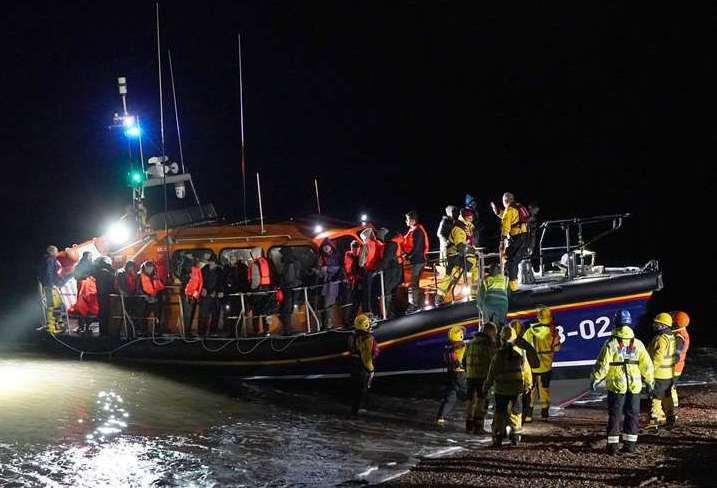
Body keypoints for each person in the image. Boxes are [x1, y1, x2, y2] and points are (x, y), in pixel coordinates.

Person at [590, 310, 654, 454]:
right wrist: (650, 381)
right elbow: (647, 364)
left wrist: (595, 379)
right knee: (633, 415)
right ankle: (630, 446)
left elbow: (602, 365)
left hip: (616, 386)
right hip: (635, 385)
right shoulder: (638, 344)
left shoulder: (611, 344)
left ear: (616, 323)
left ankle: (612, 447)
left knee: (615, 416)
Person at [483, 325, 533, 447]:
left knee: (499, 413)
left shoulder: (498, 354)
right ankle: (515, 437)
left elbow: (492, 372)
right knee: (516, 413)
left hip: (501, 389)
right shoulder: (521, 353)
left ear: (502, 339)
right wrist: (528, 384)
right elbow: (526, 370)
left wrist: (486, 386)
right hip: (517, 389)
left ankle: (498, 437)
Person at [521, 305, 561, 421]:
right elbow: (557, 348)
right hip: (546, 365)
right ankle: (544, 413)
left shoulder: (530, 331)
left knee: (531, 389)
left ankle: (529, 414)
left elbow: (523, 344)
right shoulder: (553, 332)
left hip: (532, 365)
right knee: (544, 389)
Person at [437, 207, 477, 304]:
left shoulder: (467, 226)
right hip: (455, 255)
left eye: (471, 217)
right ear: (464, 217)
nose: (470, 218)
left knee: (450, 273)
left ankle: (440, 295)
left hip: (456, 255)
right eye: (468, 217)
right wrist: (472, 250)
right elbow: (461, 246)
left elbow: (469, 241)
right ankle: (474, 293)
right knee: (474, 268)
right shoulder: (459, 228)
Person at [465, 322, 498, 434]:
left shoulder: (470, 343)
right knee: (482, 400)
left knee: (470, 400)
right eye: (494, 332)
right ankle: (478, 426)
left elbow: (464, 360)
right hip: (483, 376)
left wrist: (468, 371)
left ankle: (468, 424)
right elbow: (493, 361)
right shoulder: (488, 343)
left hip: (470, 376)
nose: (494, 334)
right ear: (489, 331)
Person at [491, 192, 529, 292]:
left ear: (505, 201)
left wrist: (502, 240)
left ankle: (512, 287)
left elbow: (506, 225)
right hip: (524, 237)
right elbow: (513, 219)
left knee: (510, 261)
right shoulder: (518, 207)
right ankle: (514, 284)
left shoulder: (509, 209)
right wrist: (498, 212)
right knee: (515, 261)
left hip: (516, 238)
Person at [647, 313, 677, 427]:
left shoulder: (660, 339)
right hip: (669, 374)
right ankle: (670, 417)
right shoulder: (671, 337)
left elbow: (657, 358)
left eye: (657, 323)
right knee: (667, 396)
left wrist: (649, 372)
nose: (654, 325)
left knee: (655, 398)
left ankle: (654, 421)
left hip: (659, 374)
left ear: (663, 325)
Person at [436, 326, 468, 426]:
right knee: (469, 394)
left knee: (451, 396)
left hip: (451, 374)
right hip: (460, 374)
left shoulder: (449, 348)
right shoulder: (462, 347)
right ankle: (473, 416)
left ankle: (441, 417)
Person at [347, 314, 379, 415]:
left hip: (354, 366)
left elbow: (352, 351)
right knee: (363, 389)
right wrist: (371, 370)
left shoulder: (352, 337)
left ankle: (355, 409)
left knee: (355, 389)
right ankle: (359, 410)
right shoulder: (368, 339)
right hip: (363, 367)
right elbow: (368, 356)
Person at [403, 210, 430, 313]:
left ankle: (415, 305)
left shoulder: (417, 231)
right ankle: (418, 304)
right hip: (418, 260)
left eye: (407, 219)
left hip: (418, 261)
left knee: (414, 283)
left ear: (413, 220)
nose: (406, 221)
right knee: (415, 283)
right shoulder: (416, 230)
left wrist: (407, 256)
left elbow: (417, 247)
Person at [376, 231, 403, 318]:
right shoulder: (394, 244)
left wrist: (378, 269)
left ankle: (387, 314)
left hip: (392, 272)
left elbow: (387, 259)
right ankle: (391, 313)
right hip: (395, 271)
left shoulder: (391, 245)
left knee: (386, 292)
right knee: (389, 292)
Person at [669, 311, 690, 423]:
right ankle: (674, 406)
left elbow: (676, 353)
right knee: (672, 387)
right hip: (678, 366)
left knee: (670, 387)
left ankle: (672, 409)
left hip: (674, 367)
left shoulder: (678, 337)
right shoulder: (683, 332)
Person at [39, 245, 64, 333]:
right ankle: (51, 326)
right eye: (56, 251)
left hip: (54, 285)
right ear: (51, 251)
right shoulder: (49, 259)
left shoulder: (52, 259)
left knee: (56, 304)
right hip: (51, 286)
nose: (57, 252)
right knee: (52, 305)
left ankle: (56, 324)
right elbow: (48, 272)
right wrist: (51, 284)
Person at [358, 227, 384, 314]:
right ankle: (378, 313)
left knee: (367, 294)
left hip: (368, 272)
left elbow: (361, 262)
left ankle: (368, 313)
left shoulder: (366, 245)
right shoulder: (379, 243)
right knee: (375, 294)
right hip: (378, 272)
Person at [319, 238, 342, 327]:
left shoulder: (336, 256)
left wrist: (327, 269)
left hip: (332, 285)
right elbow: (320, 273)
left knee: (328, 305)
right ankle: (323, 324)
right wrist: (317, 270)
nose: (326, 248)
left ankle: (329, 323)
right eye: (324, 247)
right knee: (323, 305)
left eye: (327, 246)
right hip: (323, 285)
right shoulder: (321, 257)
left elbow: (338, 268)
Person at [139, 260, 166, 335]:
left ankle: (157, 332)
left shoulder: (156, 276)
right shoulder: (139, 276)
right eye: (148, 268)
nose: (150, 269)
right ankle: (144, 332)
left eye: (151, 268)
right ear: (144, 268)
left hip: (156, 299)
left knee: (158, 316)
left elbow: (160, 287)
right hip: (145, 300)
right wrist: (146, 296)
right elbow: (139, 288)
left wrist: (160, 295)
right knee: (144, 316)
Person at [115, 260, 141, 337]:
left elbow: (136, 285)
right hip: (124, 297)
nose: (132, 269)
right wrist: (123, 292)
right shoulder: (121, 273)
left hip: (132, 296)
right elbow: (120, 285)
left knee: (132, 315)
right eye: (131, 267)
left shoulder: (134, 275)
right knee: (123, 315)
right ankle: (121, 332)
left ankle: (132, 332)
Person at [199, 256, 222, 337]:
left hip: (214, 295)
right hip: (205, 296)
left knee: (215, 314)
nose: (213, 264)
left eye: (214, 262)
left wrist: (218, 291)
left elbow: (220, 283)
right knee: (204, 315)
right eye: (212, 262)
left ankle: (213, 332)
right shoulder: (203, 270)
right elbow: (200, 282)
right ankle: (202, 332)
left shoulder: (219, 271)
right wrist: (202, 289)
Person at [93, 256, 116, 337]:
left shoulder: (99, 271)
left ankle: (103, 331)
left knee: (103, 313)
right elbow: (110, 283)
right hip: (106, 295)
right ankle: (105, 331)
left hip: (101, 295)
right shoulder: (106, 271)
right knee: (106, 313)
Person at [342, 240, 362, 325]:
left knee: (357, 302)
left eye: (356, 248)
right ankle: (347, 321)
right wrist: (348, 277)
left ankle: (353, 320)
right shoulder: (348, 255)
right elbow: (345, 268)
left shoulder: (361, 256)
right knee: (349, 302)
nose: (355, 250)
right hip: (350, 283)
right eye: (353, 248)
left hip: (359, 282)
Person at [183, 257, 203, 337]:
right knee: (188, 314)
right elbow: (189, 283)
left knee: (191, 314)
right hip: (189, 295)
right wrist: (191, 293)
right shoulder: (191, 271)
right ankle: (187, 332)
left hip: (193, 295)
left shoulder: (197, 271)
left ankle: (188, 331)